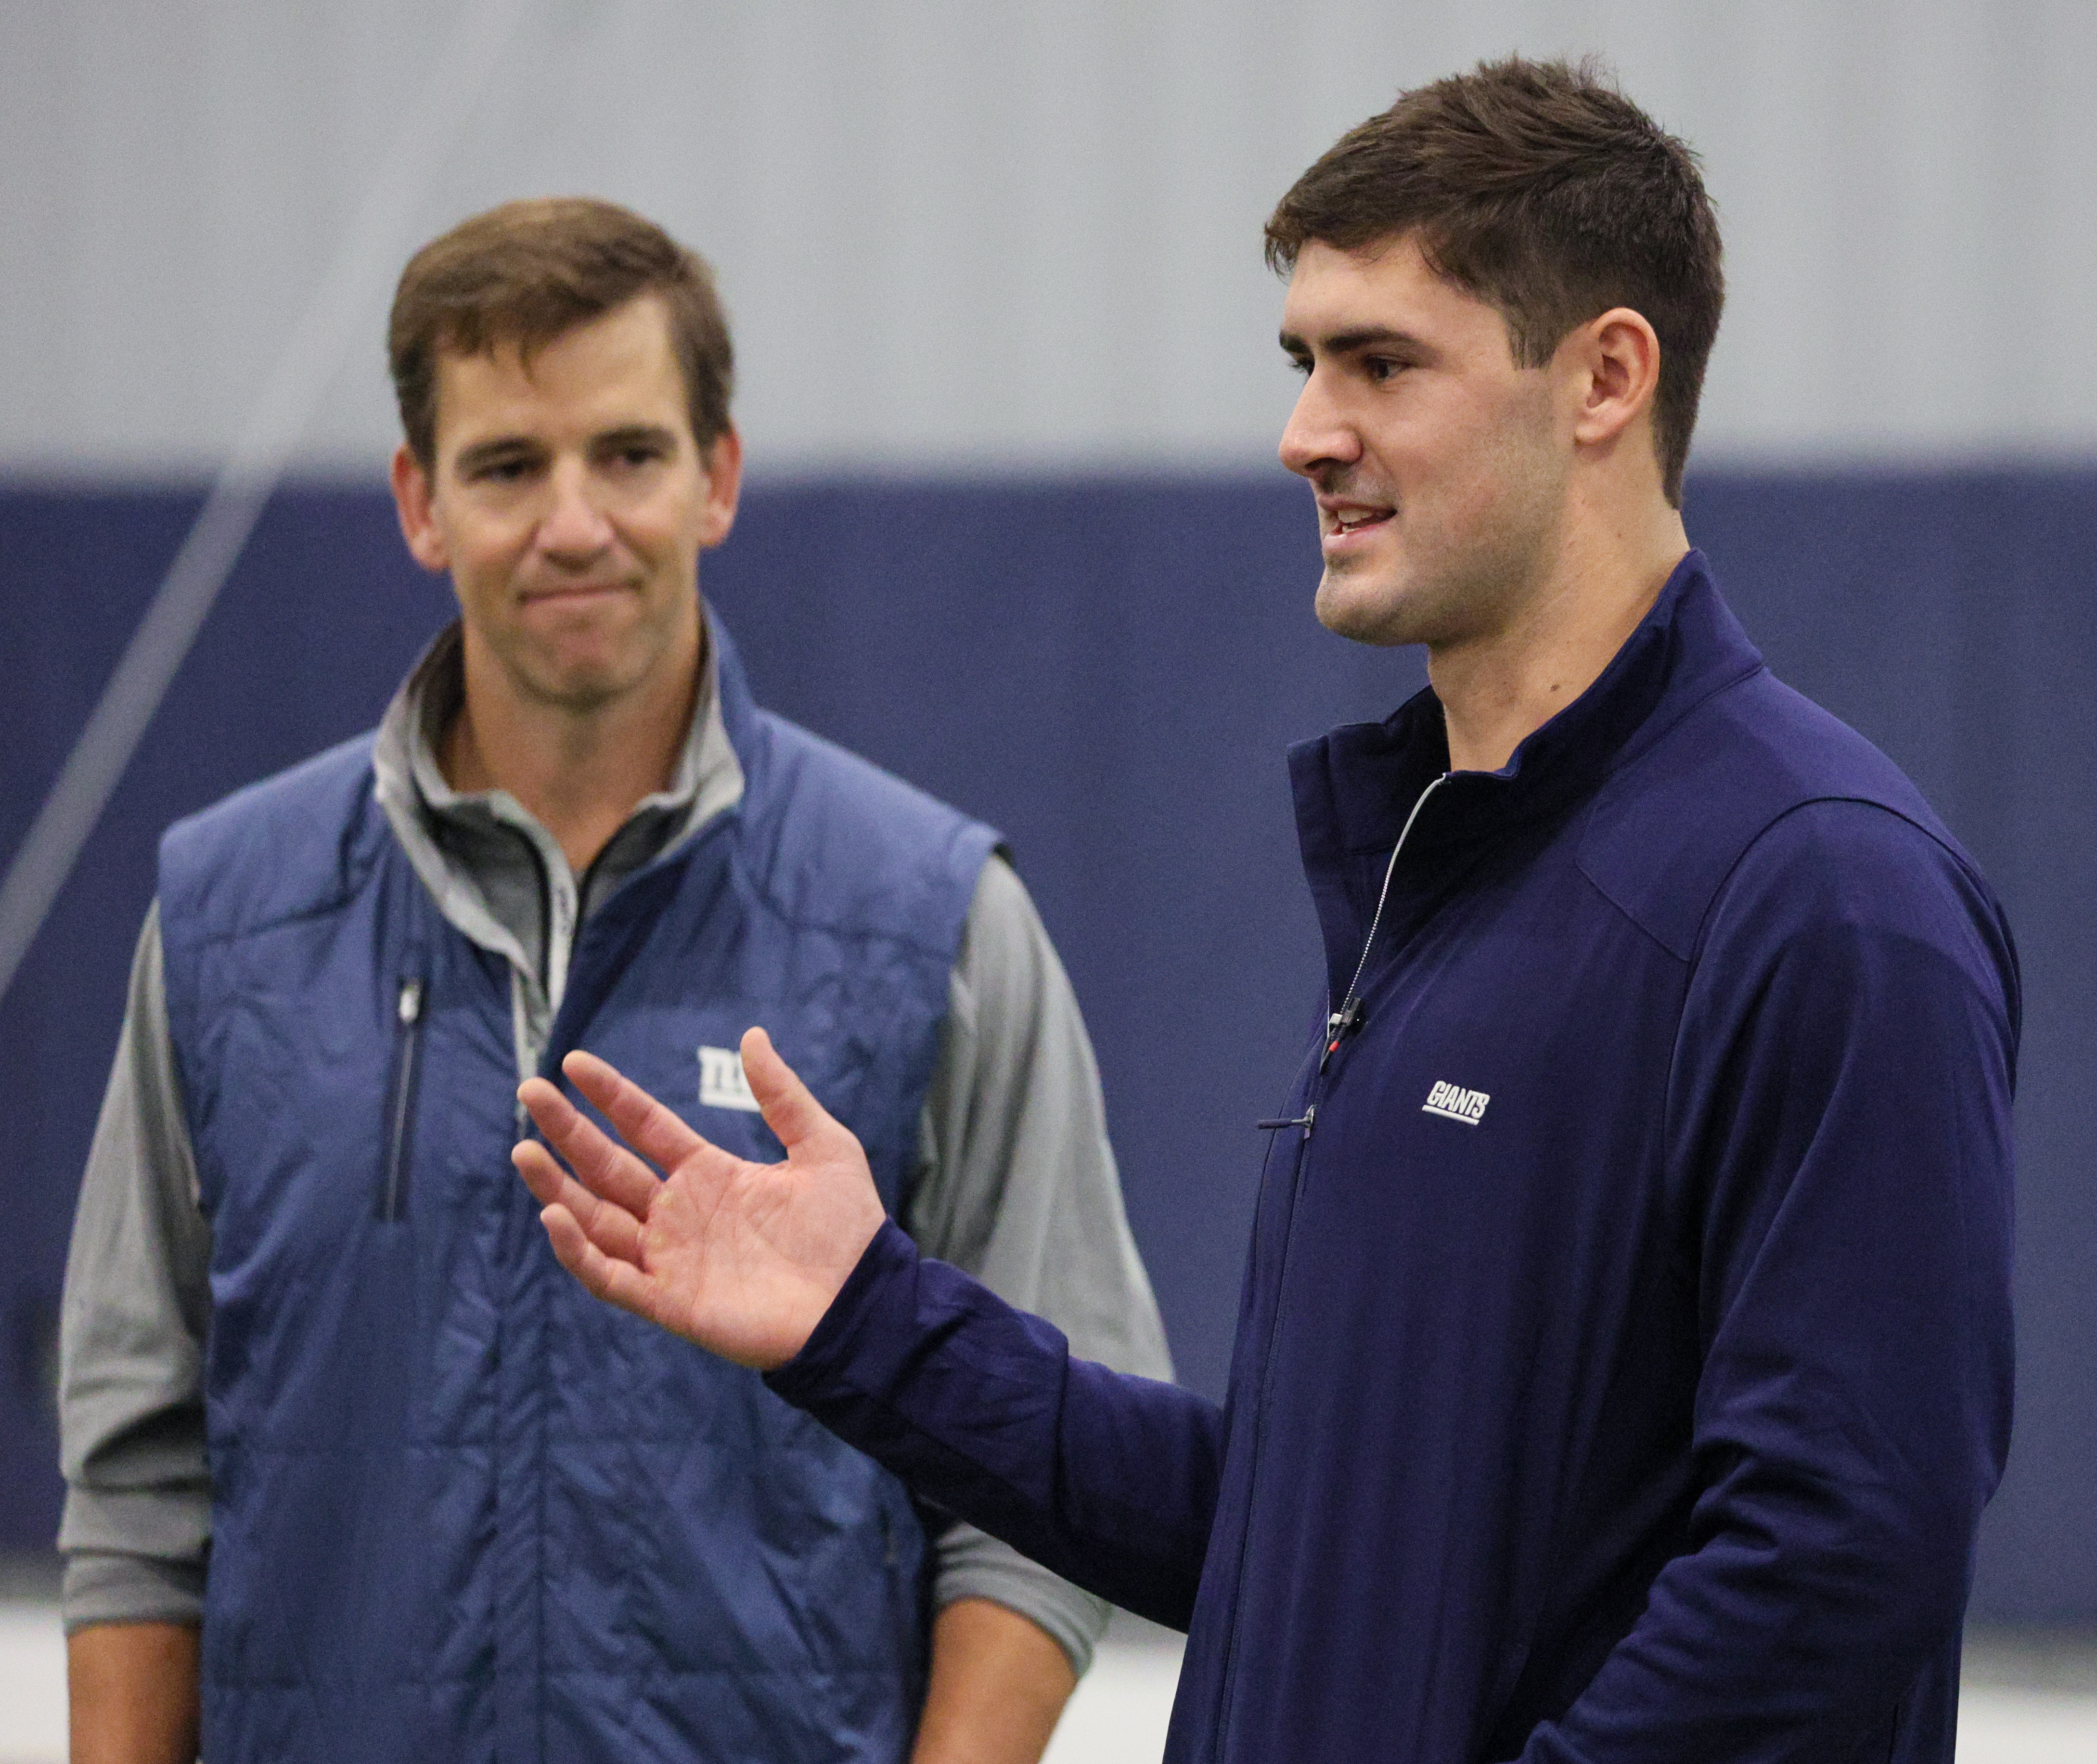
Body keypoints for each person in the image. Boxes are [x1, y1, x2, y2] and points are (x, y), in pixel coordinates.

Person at [510, 60, 2019, 1764]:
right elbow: (1306, 1537)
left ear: (1606, 376)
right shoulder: (1447, 882)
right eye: (1304, 363)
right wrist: (870, 1321)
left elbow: (1836, 1570)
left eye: (1382, 362)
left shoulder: (1825, 896)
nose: (1306, 429)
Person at [56, 197, 1171, 1764]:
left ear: (714, 478)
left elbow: (1044, 1479)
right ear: (418, 502)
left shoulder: (930, 920)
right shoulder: (227, 920)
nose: (572, 521)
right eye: (508, 465)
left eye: (628, 455)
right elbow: (137, 1482)